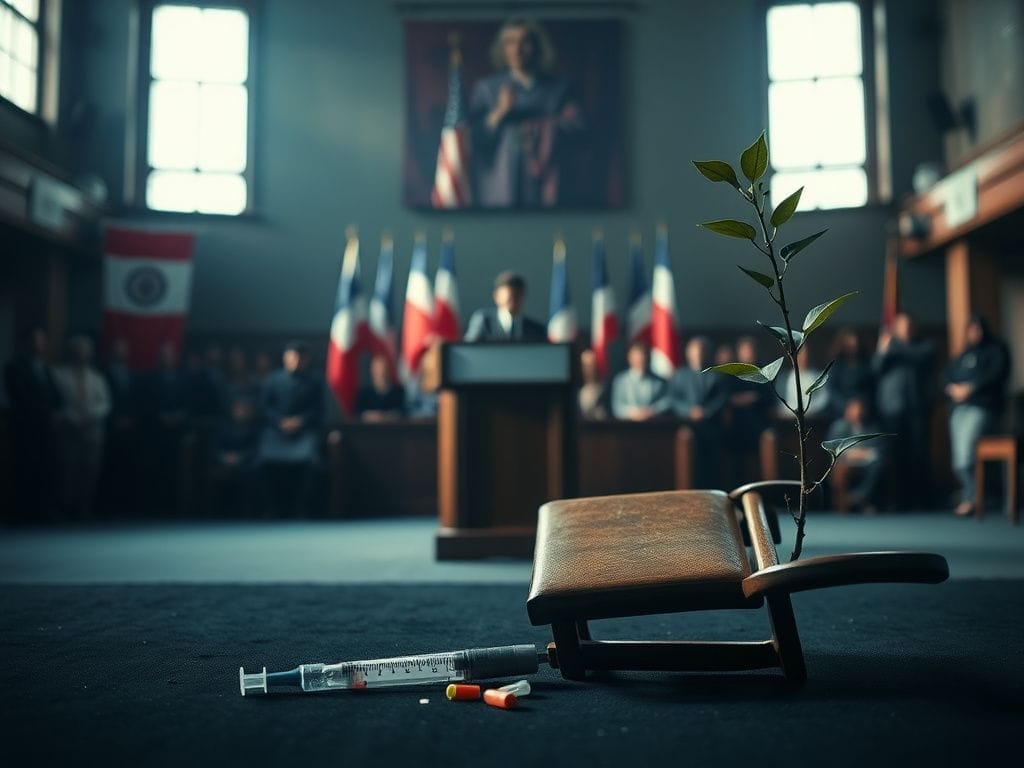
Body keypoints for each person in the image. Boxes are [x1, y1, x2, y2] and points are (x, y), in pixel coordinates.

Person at [469, 18, 584, 207]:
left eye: (524, 42)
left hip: (547, 187)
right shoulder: (487, 88)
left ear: (537, 46)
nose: (517, 50)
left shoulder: (559, 89)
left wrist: (550, 126)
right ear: (502, 48)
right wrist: (499, 112)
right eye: (510, 42)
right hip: (502, 184)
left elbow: (579, 132)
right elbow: (474, 139)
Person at [942, 314, 1011, 517]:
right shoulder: (964, 354)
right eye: (971, 330)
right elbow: (946, 375)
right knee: (958, 460)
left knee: (966, 455)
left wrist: (972, 388)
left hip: (982, 408)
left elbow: (997, 374)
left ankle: (973, 498)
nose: (974, 333)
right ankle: (973, 496)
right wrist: (953, 388)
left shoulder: (996, 349)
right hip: (959, 409)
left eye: (977, 329)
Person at [872, 312, 936, 509]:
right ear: (896, 328)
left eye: (909, 325)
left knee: (919, 455)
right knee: (896, 455)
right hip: (892, 409)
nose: (906, 329)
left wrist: (893, 346)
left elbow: (920, 356)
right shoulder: (887, 347)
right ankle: (899, 501)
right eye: (902, 325)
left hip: (918, 409)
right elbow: (875, 369)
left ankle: (921, 500)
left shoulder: (925, 345)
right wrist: (882, 350)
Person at [258, 340, 325, 518]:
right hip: (276, 432)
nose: (296, 361)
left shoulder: (315, 382)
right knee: (261, 460)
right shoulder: (273, 380)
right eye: (292, 357)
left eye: (300, 358)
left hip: (303, 432)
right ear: (285, 358)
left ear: (306, 360)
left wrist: (300, 421)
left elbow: (318, 410)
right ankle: (272, 507)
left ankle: (301, 508)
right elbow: (265, 408)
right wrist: (279, 422)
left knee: (312, 462)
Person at [3, 326, 62, 521]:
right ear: (27, 343)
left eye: (43, 340)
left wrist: (56, 412)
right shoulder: (14, 367)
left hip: (47, 432)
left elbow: (57, 396)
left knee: (46, 471)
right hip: (26, 430)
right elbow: (21, 398)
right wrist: (46, 413)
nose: (41, 344)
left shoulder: (45, 368)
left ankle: (44, 511)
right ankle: (24, 513)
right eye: (37, 340)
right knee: (25, 470)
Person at [53, 335, 112, 519]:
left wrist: (91, 416)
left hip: (92, 431)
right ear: (72, 352)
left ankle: (85, 508)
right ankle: (65, 507)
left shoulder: (97, 378)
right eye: (79, 351)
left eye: (85, 351)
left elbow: (105, 403)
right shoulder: (59, 375)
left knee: (90, 471)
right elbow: (57, 402)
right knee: (67, 470)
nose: (82, 354)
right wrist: (74, 417)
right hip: (69, 430)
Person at [670, 336, 729, 487]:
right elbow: (673, 400)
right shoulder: (679, 374)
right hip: (688, 428)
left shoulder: (716, 373)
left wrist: (706, 412)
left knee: (712, 468)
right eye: (695, 351)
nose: (698, 354)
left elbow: (722, 398)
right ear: (688, 353)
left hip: (711, 428)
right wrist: (689, 411)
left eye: (701, 351)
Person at [724, 336, 773, 486]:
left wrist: (751, 398)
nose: (748, 353)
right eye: (745, 350)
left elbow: (768, 397)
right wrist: (748, 398)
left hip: (758, 424)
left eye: (751, 350)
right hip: (736, 426)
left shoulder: (764, 372)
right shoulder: (732, 373)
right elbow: (727, 397)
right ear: (739, 353)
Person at [827, 396, 886, 513]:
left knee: (878, 465)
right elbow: (834, 449)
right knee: (839, 470)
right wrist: (854, 454)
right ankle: (845, 503)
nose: (857, 413)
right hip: (845, 462)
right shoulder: (838, 426)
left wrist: (863, 454)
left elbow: (877, 449)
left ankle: (857, 497)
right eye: (854, 409)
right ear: (847, 410)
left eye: (860, 409)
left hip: (866, 463)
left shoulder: (871, 427)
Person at [464, 270, 546, 342]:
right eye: (509, 298)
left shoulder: (536, 329)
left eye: (517, 297)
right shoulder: (484, 322)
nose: (513, 301)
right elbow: (470, 349)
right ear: (496, 297)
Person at [610, 341, 668, 421]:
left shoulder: (658, 381)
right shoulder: (620, 380)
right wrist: (632, 413)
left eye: (642, 355)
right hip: (628, 424)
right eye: (636, 356)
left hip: (652, 423)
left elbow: (666, 402)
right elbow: (617, 407)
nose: (639, 359)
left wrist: (652, 411)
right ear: (629, 358)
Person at [827, 328, 875, 419]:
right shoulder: (836, 365)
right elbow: (832, 391)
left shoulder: (866, 364)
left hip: (864, 412)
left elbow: (870, 388)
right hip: (842, 414)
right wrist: (846, 407)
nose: (853, 345)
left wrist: (861, 406)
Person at [775, 346, 830, 419]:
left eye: (805, 354)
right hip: (788, 418)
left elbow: (823, 399)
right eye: (799, 354)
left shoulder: (817, 376)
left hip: (812, 418)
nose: (803, 357)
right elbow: (780, 401)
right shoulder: (783, 379)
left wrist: (810, 411)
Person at [357, 353, 405, 422]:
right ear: (372, 371)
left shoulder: (399, 392)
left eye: (383, 369)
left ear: (389, 370)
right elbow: (358, 414)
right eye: (377, 369)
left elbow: (403, 412)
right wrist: (372, 416)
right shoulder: (364, 393)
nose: (381, 372)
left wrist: (386, 416)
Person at [406, 340, 442, 419]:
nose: (431, 360)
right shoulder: (416, 381)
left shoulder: (443, 380)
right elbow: (410, 407)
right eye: (429, 356)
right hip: (420, 422)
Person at [578, 348, 609, 420]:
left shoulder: (604, 390)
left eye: (591, 365)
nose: (588, 369)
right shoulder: (575, 391)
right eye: (585, 365)